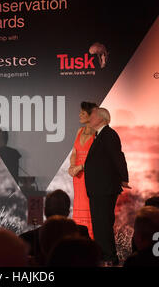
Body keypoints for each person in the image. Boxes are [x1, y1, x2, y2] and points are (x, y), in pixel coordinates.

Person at [83, 107, 130, 265]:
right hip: (99, 189)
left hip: (104, 189)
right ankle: (105, 256)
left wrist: (124, 179)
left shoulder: (109, 135)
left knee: (103, 224)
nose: (90, 117)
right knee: (100, 224)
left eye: (93, 115)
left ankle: (109, 257)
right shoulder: (100, 135)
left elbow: (118, 157)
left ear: (102, 118)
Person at [68, 101, 97, 237]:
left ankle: (92, 241)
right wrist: (72, 166)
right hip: (78, 178)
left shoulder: (98, 133)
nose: (79, 115)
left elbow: (99, 159)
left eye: (83, 113)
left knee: (90, 209)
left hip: (90, 176)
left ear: (91, 115)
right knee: (79, 207)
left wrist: (81, 167)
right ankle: (79, 239)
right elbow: (74, 152)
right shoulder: (79, 131)